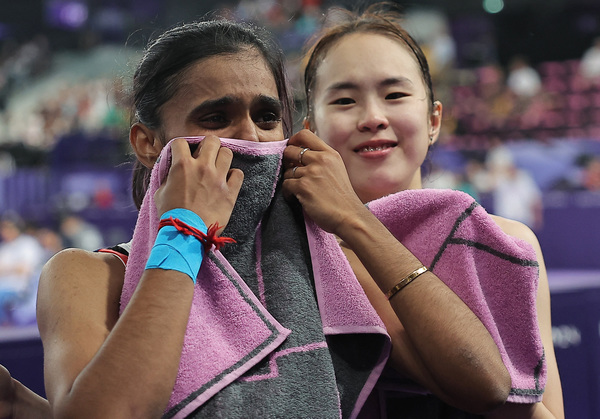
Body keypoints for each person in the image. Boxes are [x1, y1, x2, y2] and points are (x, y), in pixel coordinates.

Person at [36, 16, 511, 419]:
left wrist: (352, 220)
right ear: (148, 143)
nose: (252, 138)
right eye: (216, 118)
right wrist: (183, 230)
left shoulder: (323, 264)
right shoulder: (87, 277)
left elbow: (485, 383)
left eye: (267, 117)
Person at [281, 4, 563, 418]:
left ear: (434, 120)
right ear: (312, 128)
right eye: (344, 100)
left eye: (394, 95)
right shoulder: (285, 252)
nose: (373, 117)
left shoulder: (509, 242)